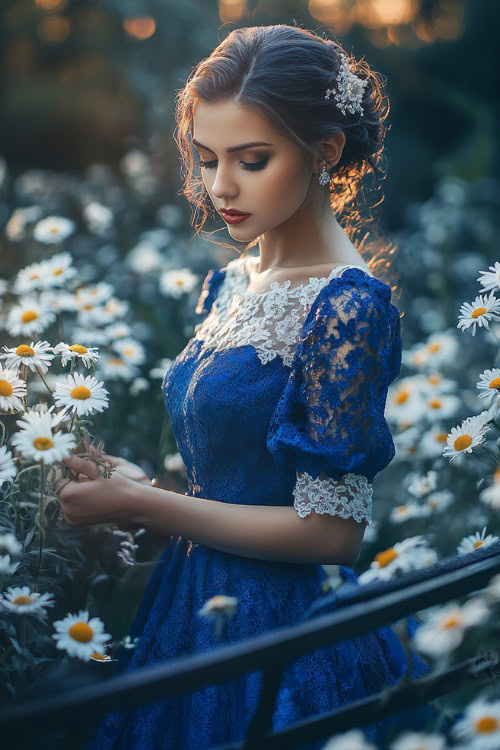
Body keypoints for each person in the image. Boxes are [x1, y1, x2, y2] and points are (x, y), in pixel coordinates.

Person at [53, 24, 453, 750]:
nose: (220, 187)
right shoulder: (232, 282)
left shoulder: (349, 306)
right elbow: (235, 479)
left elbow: (331, 533)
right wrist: (138, 484)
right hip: (188, 611)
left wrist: (144, 503)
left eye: (252, 160)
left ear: (325, 152)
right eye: (206, 159)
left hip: (280, 638)